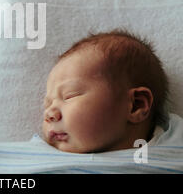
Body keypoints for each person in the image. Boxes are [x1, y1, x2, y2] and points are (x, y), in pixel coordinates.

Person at [42, 28, 172, 153]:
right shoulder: (35, 156)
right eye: (48, 104)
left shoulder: (177, 156)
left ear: (135, 105)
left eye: (70, 96)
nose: (49, 114)